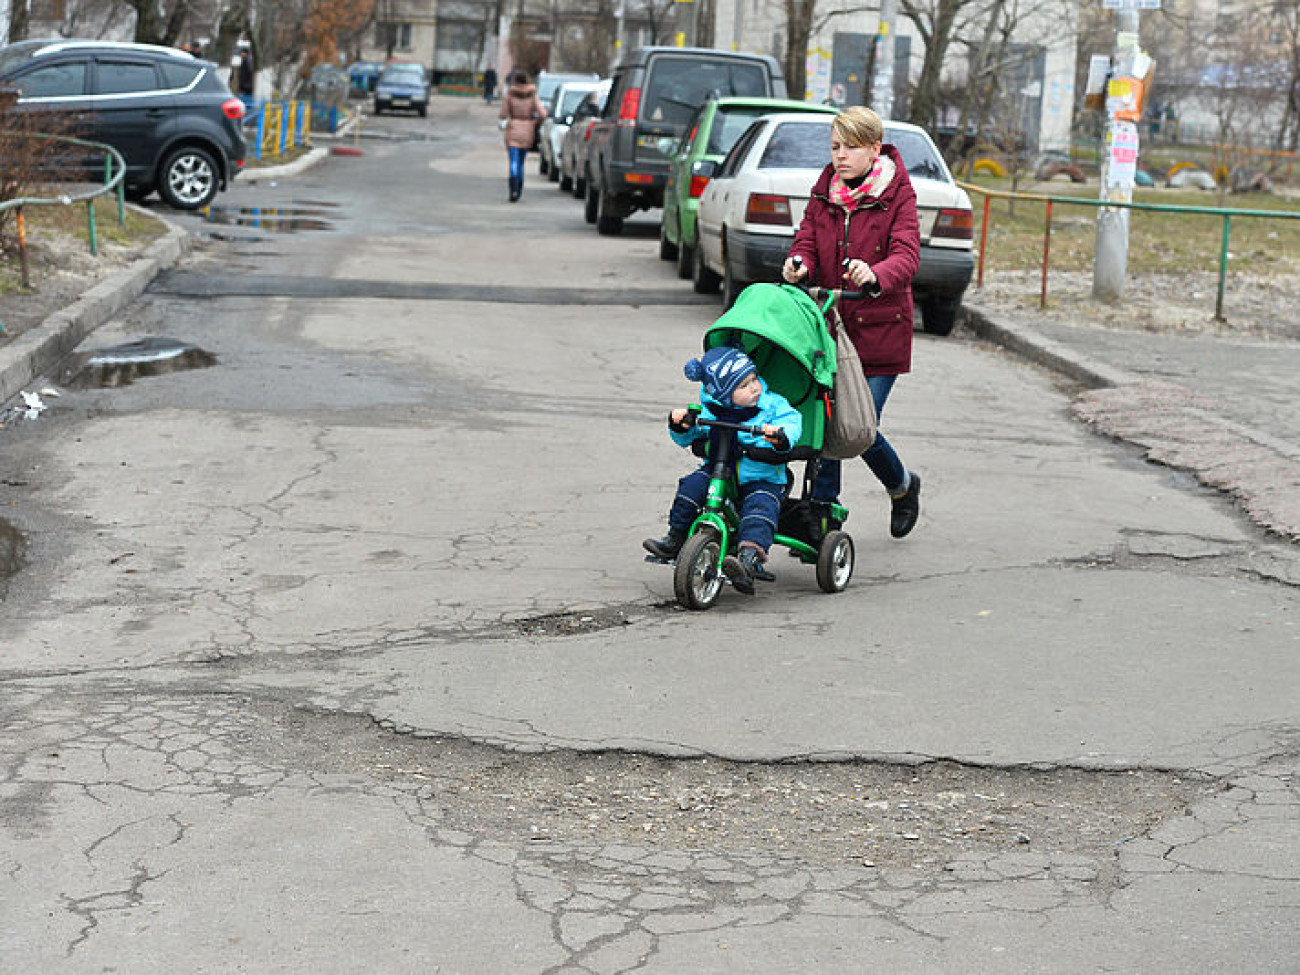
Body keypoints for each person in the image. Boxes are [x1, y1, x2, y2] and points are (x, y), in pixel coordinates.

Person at [781, 105, 923, 539]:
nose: (840, 156)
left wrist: (876, 274)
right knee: (828, 420)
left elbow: (907, 253)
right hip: (827, 328)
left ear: (875, 148)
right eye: (835, 147)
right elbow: (806, 238)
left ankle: (901, 486)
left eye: (851, 147)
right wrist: (799, 262)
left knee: (856, 425)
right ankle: (823, 509)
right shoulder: (824, 190)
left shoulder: (897, 193)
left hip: (880, 331)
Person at [643, 346, 802, 595]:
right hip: (718, 469)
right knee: (691, 487)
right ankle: (675, 537)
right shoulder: (710, 410)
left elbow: (792, 420)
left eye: (753, 379)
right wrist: (681, 424)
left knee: (760, 510)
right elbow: (690, 436)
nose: (755, 387)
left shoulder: (772, 406)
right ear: (724, 395)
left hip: (761, 476)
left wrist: (780, 436)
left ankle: (748, 559)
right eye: (744, 386)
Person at [498, 69, 546, 202]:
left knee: (513, 161)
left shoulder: (510, 95)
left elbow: (503, 114)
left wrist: (508, 116)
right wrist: (535, 123)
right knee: (521, 162)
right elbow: (543, 114)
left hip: (513, 128)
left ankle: (512, 189)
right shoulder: (533, 96)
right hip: (527, 129)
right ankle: (518, 188)